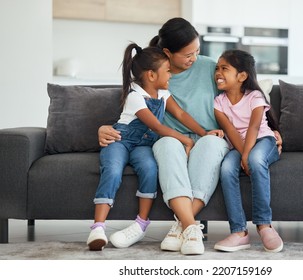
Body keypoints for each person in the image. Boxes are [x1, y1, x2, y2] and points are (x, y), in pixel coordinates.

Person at [98, 17, 281, 255]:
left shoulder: (209, 68)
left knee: (211, 144)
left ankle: (181, 227)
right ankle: (191, 226)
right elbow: (132, 111)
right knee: (166, 145)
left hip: (210, 137)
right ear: (167, 53)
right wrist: (103, 128)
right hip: (172, 139)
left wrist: (272, 128)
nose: (194, 59)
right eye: (187, 54)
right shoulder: (154, 74)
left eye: (197, 51)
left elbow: (243, 96)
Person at [87, 42, 216, 251]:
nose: (170, 76)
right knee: (112, 170)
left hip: (142, 145)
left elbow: (181, 115)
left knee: (150, 169)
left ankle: (141, 223)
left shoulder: (163, 94)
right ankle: (98, 227)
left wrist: (203, 133)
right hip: (121, 139)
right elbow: (155, 125)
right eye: (167, 71)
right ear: (151, 76)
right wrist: (186, 140)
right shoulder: (135, 96)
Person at [213, 49, 283, 253]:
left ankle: (264, 225)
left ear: (242, 76)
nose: (218, 72)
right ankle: (239, 232)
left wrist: (246, 155)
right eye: (217, 68)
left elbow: (253, 128)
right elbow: (230, 130)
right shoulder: (218, 102)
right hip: (238, 145)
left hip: (262, 140)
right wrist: (242, 153)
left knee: (256, 160)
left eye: (224, 68)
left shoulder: (255, 96)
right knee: (226, 169)